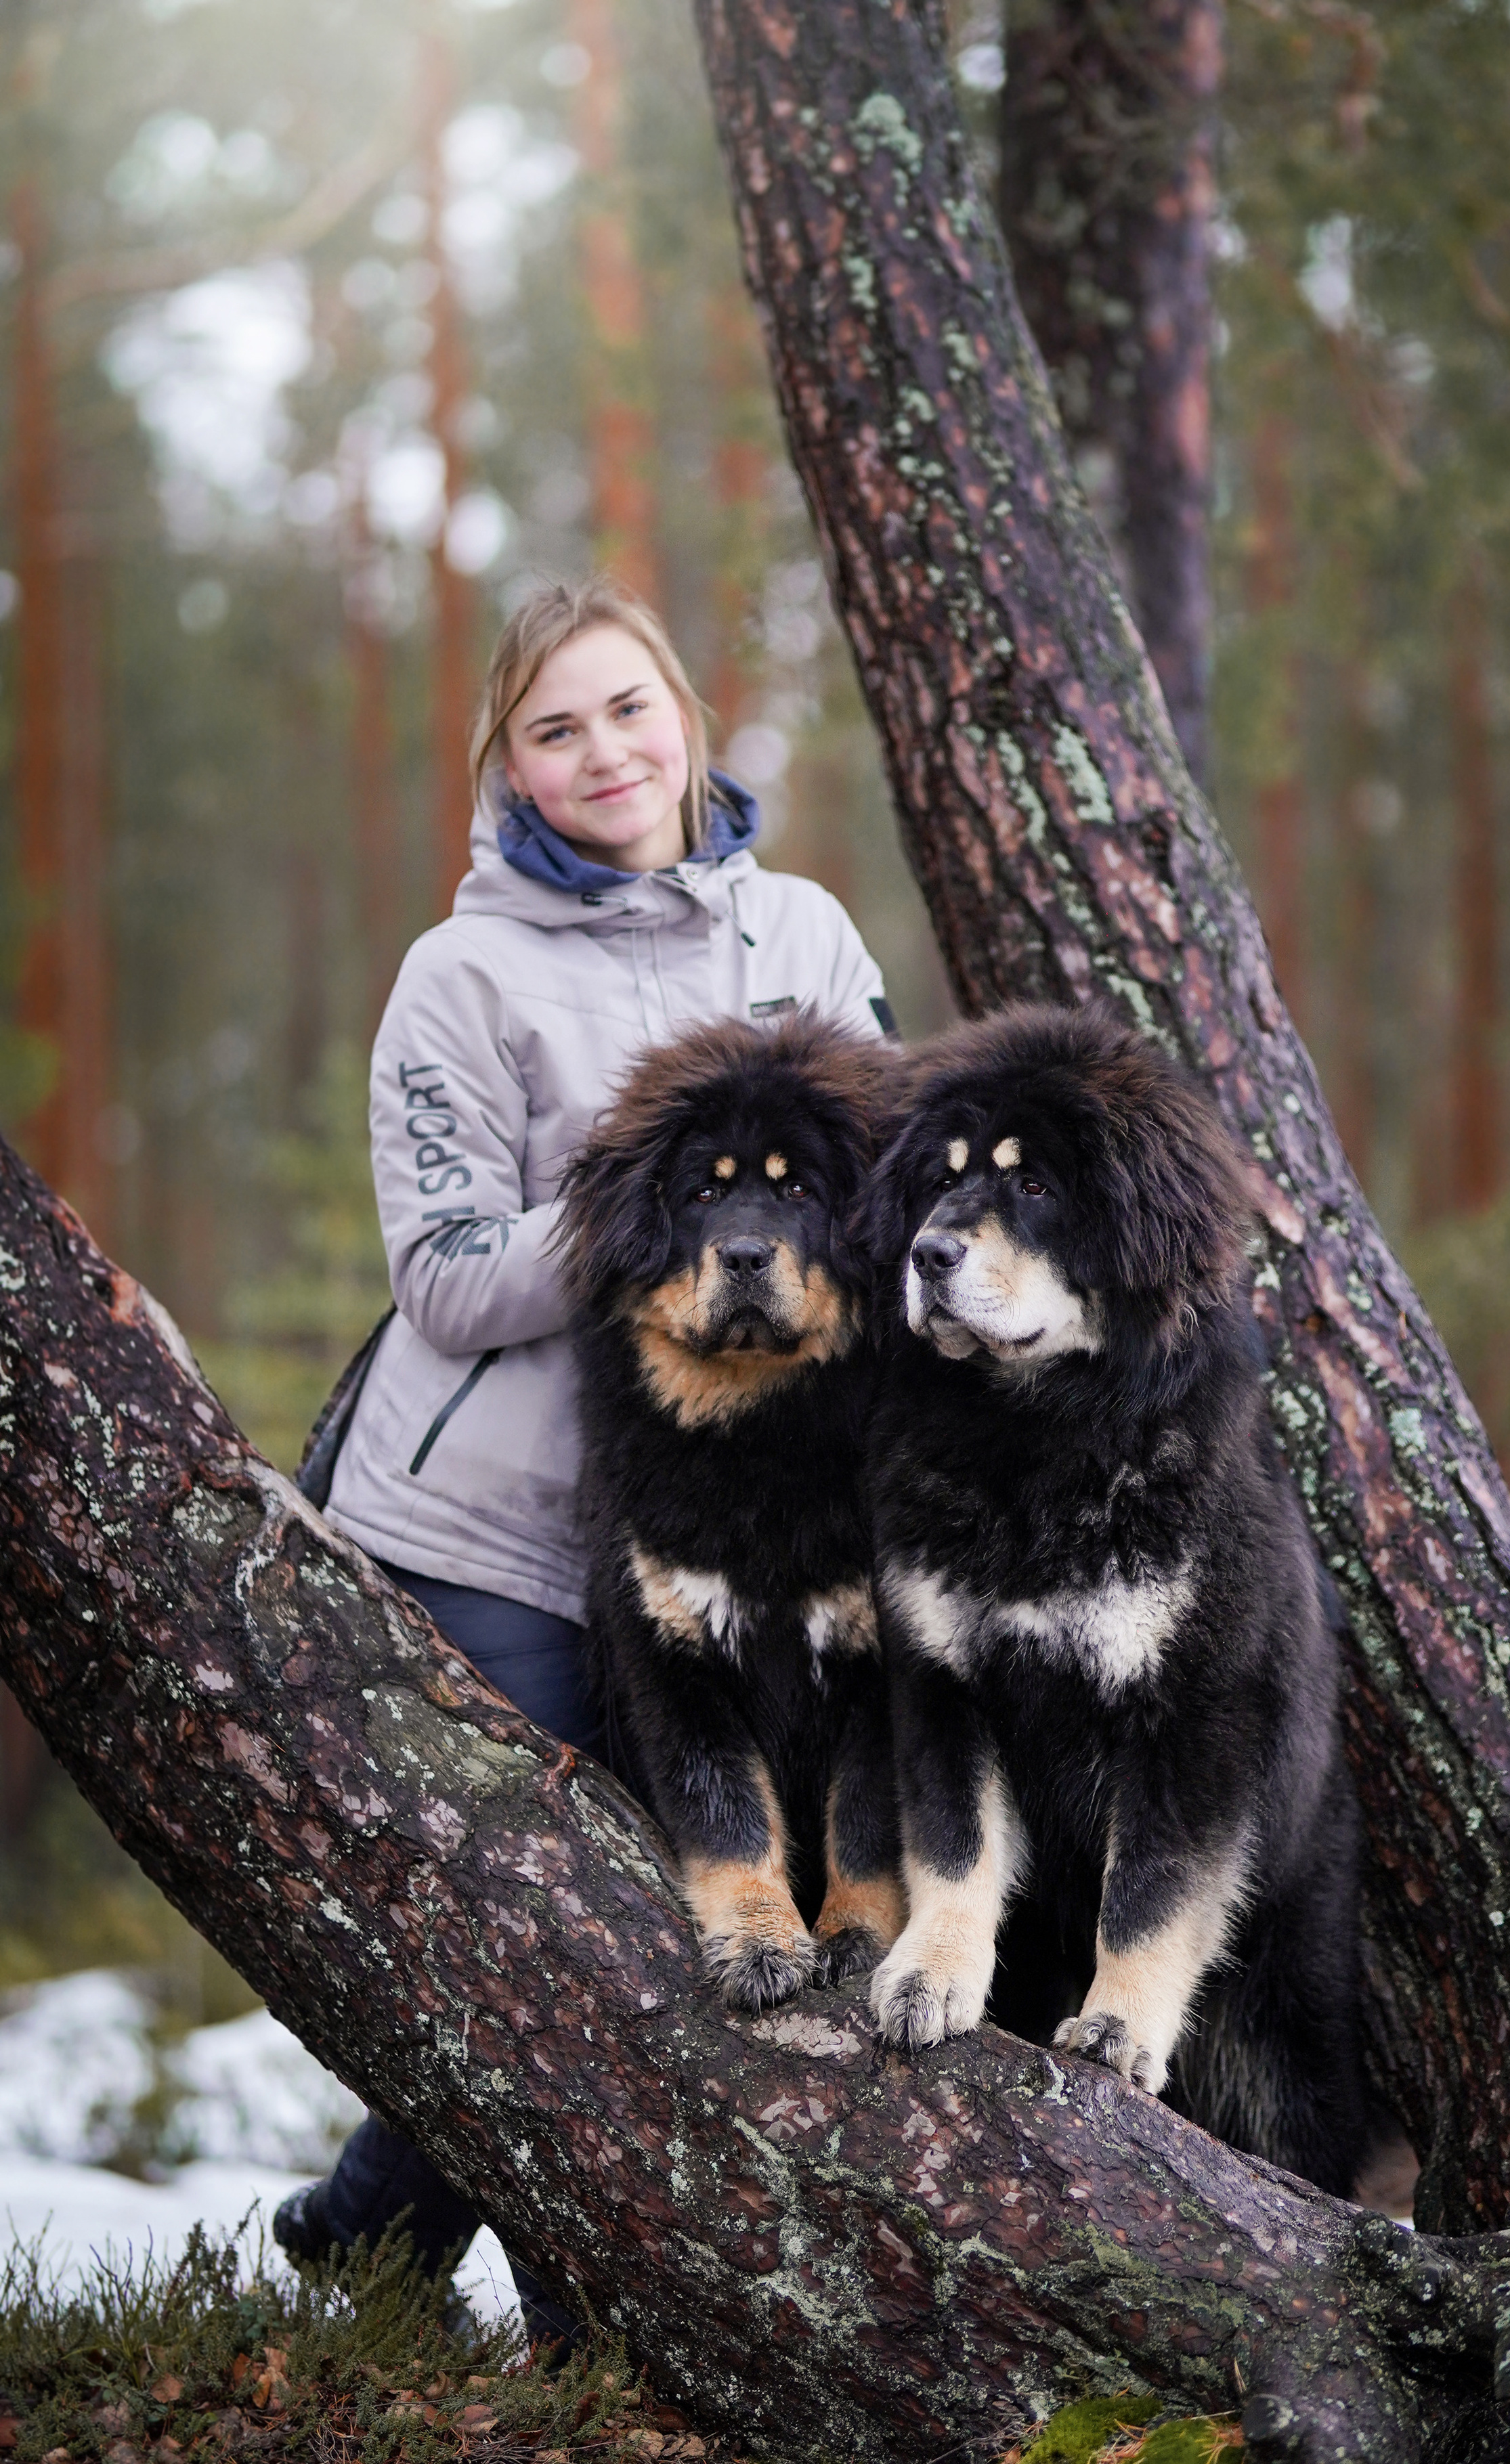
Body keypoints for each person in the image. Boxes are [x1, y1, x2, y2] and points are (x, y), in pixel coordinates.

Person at [272, 573, 892, 2344]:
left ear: (684, 716)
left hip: (755, 1520)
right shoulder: (458, 978)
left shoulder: (807, 941)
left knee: (680, 1923)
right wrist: (655, 1206)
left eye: (630, 708)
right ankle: (559, 2322)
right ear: (512, 767)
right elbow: (448, 1281)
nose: (605, 751)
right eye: (558, 728)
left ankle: (382, 2240)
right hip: (501, 1533)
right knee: (563, 1931)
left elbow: (879, 1192)